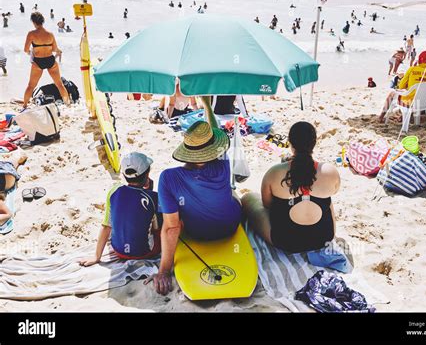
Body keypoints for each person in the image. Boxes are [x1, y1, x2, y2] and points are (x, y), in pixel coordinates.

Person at [147, 98, 241, 295]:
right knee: (238, 197)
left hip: (198, 233)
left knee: (170, 215)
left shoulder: (169, 178)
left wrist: (164, 271)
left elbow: (172, 227)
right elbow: (216, 130)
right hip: (230, 227)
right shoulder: (223, 163)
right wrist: (207, 105)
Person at [241, 122, 340, 254]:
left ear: (290, 143)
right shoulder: (330, 172)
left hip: (285, 241)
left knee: (248, 198)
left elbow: (267, 205)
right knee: (326, 199)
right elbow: (333, 191)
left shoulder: (274, 173)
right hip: (323, 238)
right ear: (314, 143)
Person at [79, 152, 161, 266]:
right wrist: (149, 192)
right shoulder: (154, 197)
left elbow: (106, 226)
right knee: (159, 217)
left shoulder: (114, 191)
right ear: (147, 174)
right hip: (145, 253)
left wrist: (96, 257)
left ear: (124, 175)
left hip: (118, 251)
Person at [22, 12, 70, 109]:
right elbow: (54, 49)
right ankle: (67, 104)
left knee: (31, 85)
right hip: (50, 60)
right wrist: (56, 51)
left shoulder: (31, 34)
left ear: (33, 22)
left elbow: (26, 50)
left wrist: (32, 52)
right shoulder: (50, 34)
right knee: (60, 84)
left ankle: (25, 105)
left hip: (38, 62)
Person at [379, 51, 426, 122]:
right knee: (414, 94)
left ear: (420, 59)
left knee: (392, 94)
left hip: (410, 102)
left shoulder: (412, 69)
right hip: (424, 102)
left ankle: (381, 117)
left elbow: (401, 86)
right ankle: (403, 117)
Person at [0, 155, 28, 234]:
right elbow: (8, 214)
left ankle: (18, 159)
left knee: (12, 162)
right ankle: (18, 158)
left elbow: (8, 214)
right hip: (5, 176)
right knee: (12, 162)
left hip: (6, 176)